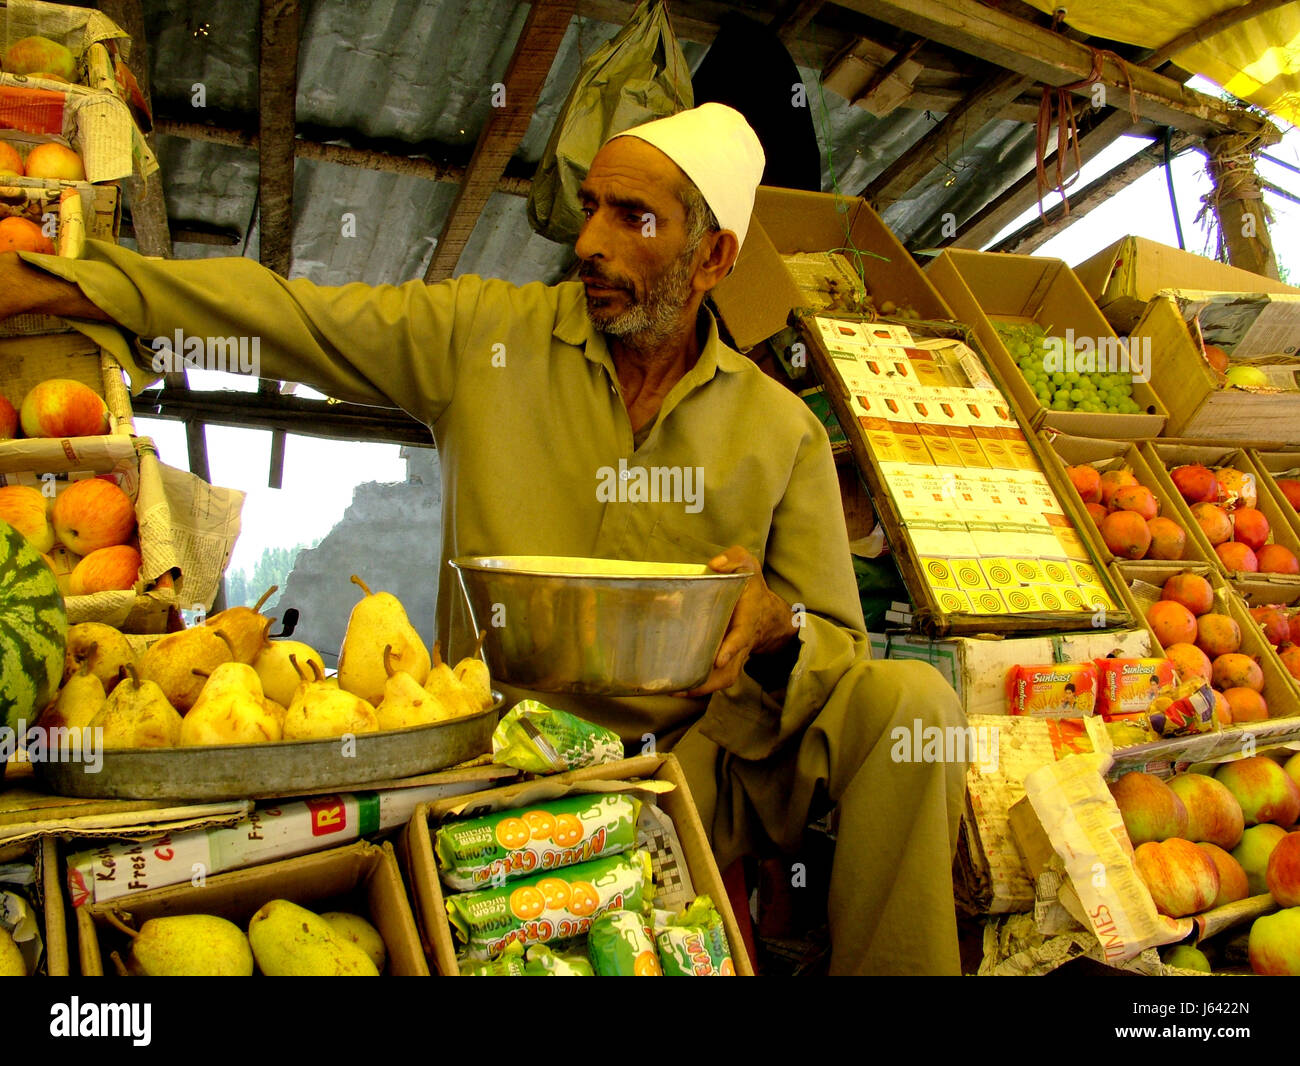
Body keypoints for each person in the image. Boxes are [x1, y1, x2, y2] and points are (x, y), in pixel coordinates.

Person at [0, 103, 969, 975]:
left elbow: (834, 637)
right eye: (589, 207)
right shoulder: (486, 338)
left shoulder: (778, 428)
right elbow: (291, 316)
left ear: (713, 257)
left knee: (908, 699)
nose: (589, 241)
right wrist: (64, 284)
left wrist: (774, 621)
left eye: (632, 219)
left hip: (696, 768)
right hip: (495, 748)